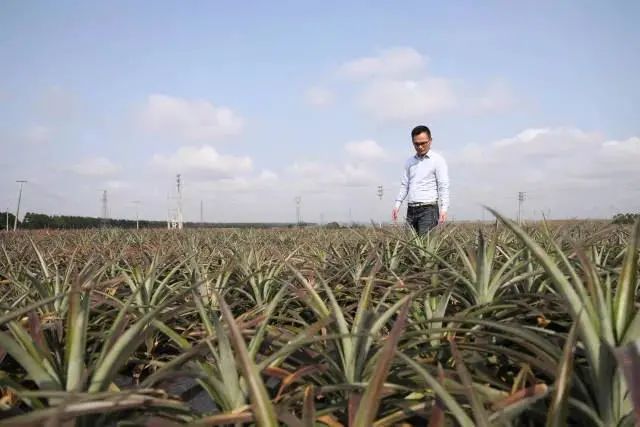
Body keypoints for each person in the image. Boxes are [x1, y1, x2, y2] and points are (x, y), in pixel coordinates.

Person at [392, 125, 450, 235]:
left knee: (426, 247)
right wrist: (397, 205)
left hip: (429, 209)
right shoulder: (410, 162)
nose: (420, 147)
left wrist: (444, 209)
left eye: (423, 143)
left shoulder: (438, 160)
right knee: (410, 246)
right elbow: (405, 185)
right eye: (416, 144)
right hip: (411, 210)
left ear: (430, 141)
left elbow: (443, 186)